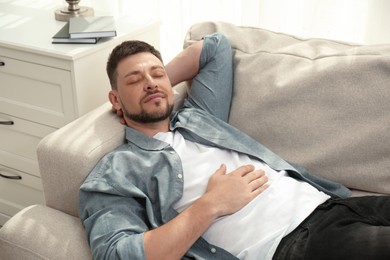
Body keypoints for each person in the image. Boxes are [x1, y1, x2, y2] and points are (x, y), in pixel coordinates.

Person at [78, 33, 390, 260]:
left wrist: (155, 87)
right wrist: (212, 203)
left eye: (157, 73)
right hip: (292, 243)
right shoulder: (116, 172)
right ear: (115, 99)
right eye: (133, 80)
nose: (149, 81)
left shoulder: (197, 117)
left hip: (331, 203)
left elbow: (215, 48)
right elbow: (116, 255)